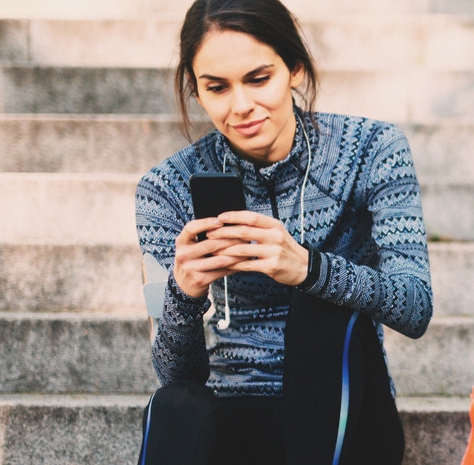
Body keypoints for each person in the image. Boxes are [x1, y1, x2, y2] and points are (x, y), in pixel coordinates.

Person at [133, 0, 431, 463]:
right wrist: (183, 295)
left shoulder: (373, 150)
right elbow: (175, 373)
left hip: (345, 403)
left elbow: (415, 306)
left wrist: (309, 269)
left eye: (258, 78)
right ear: (197, 91)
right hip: (236, 412)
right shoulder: (166, 188)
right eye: (217, 87)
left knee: (321, 312)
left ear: (294, 68)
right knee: (175, 405)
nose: (241, 106)